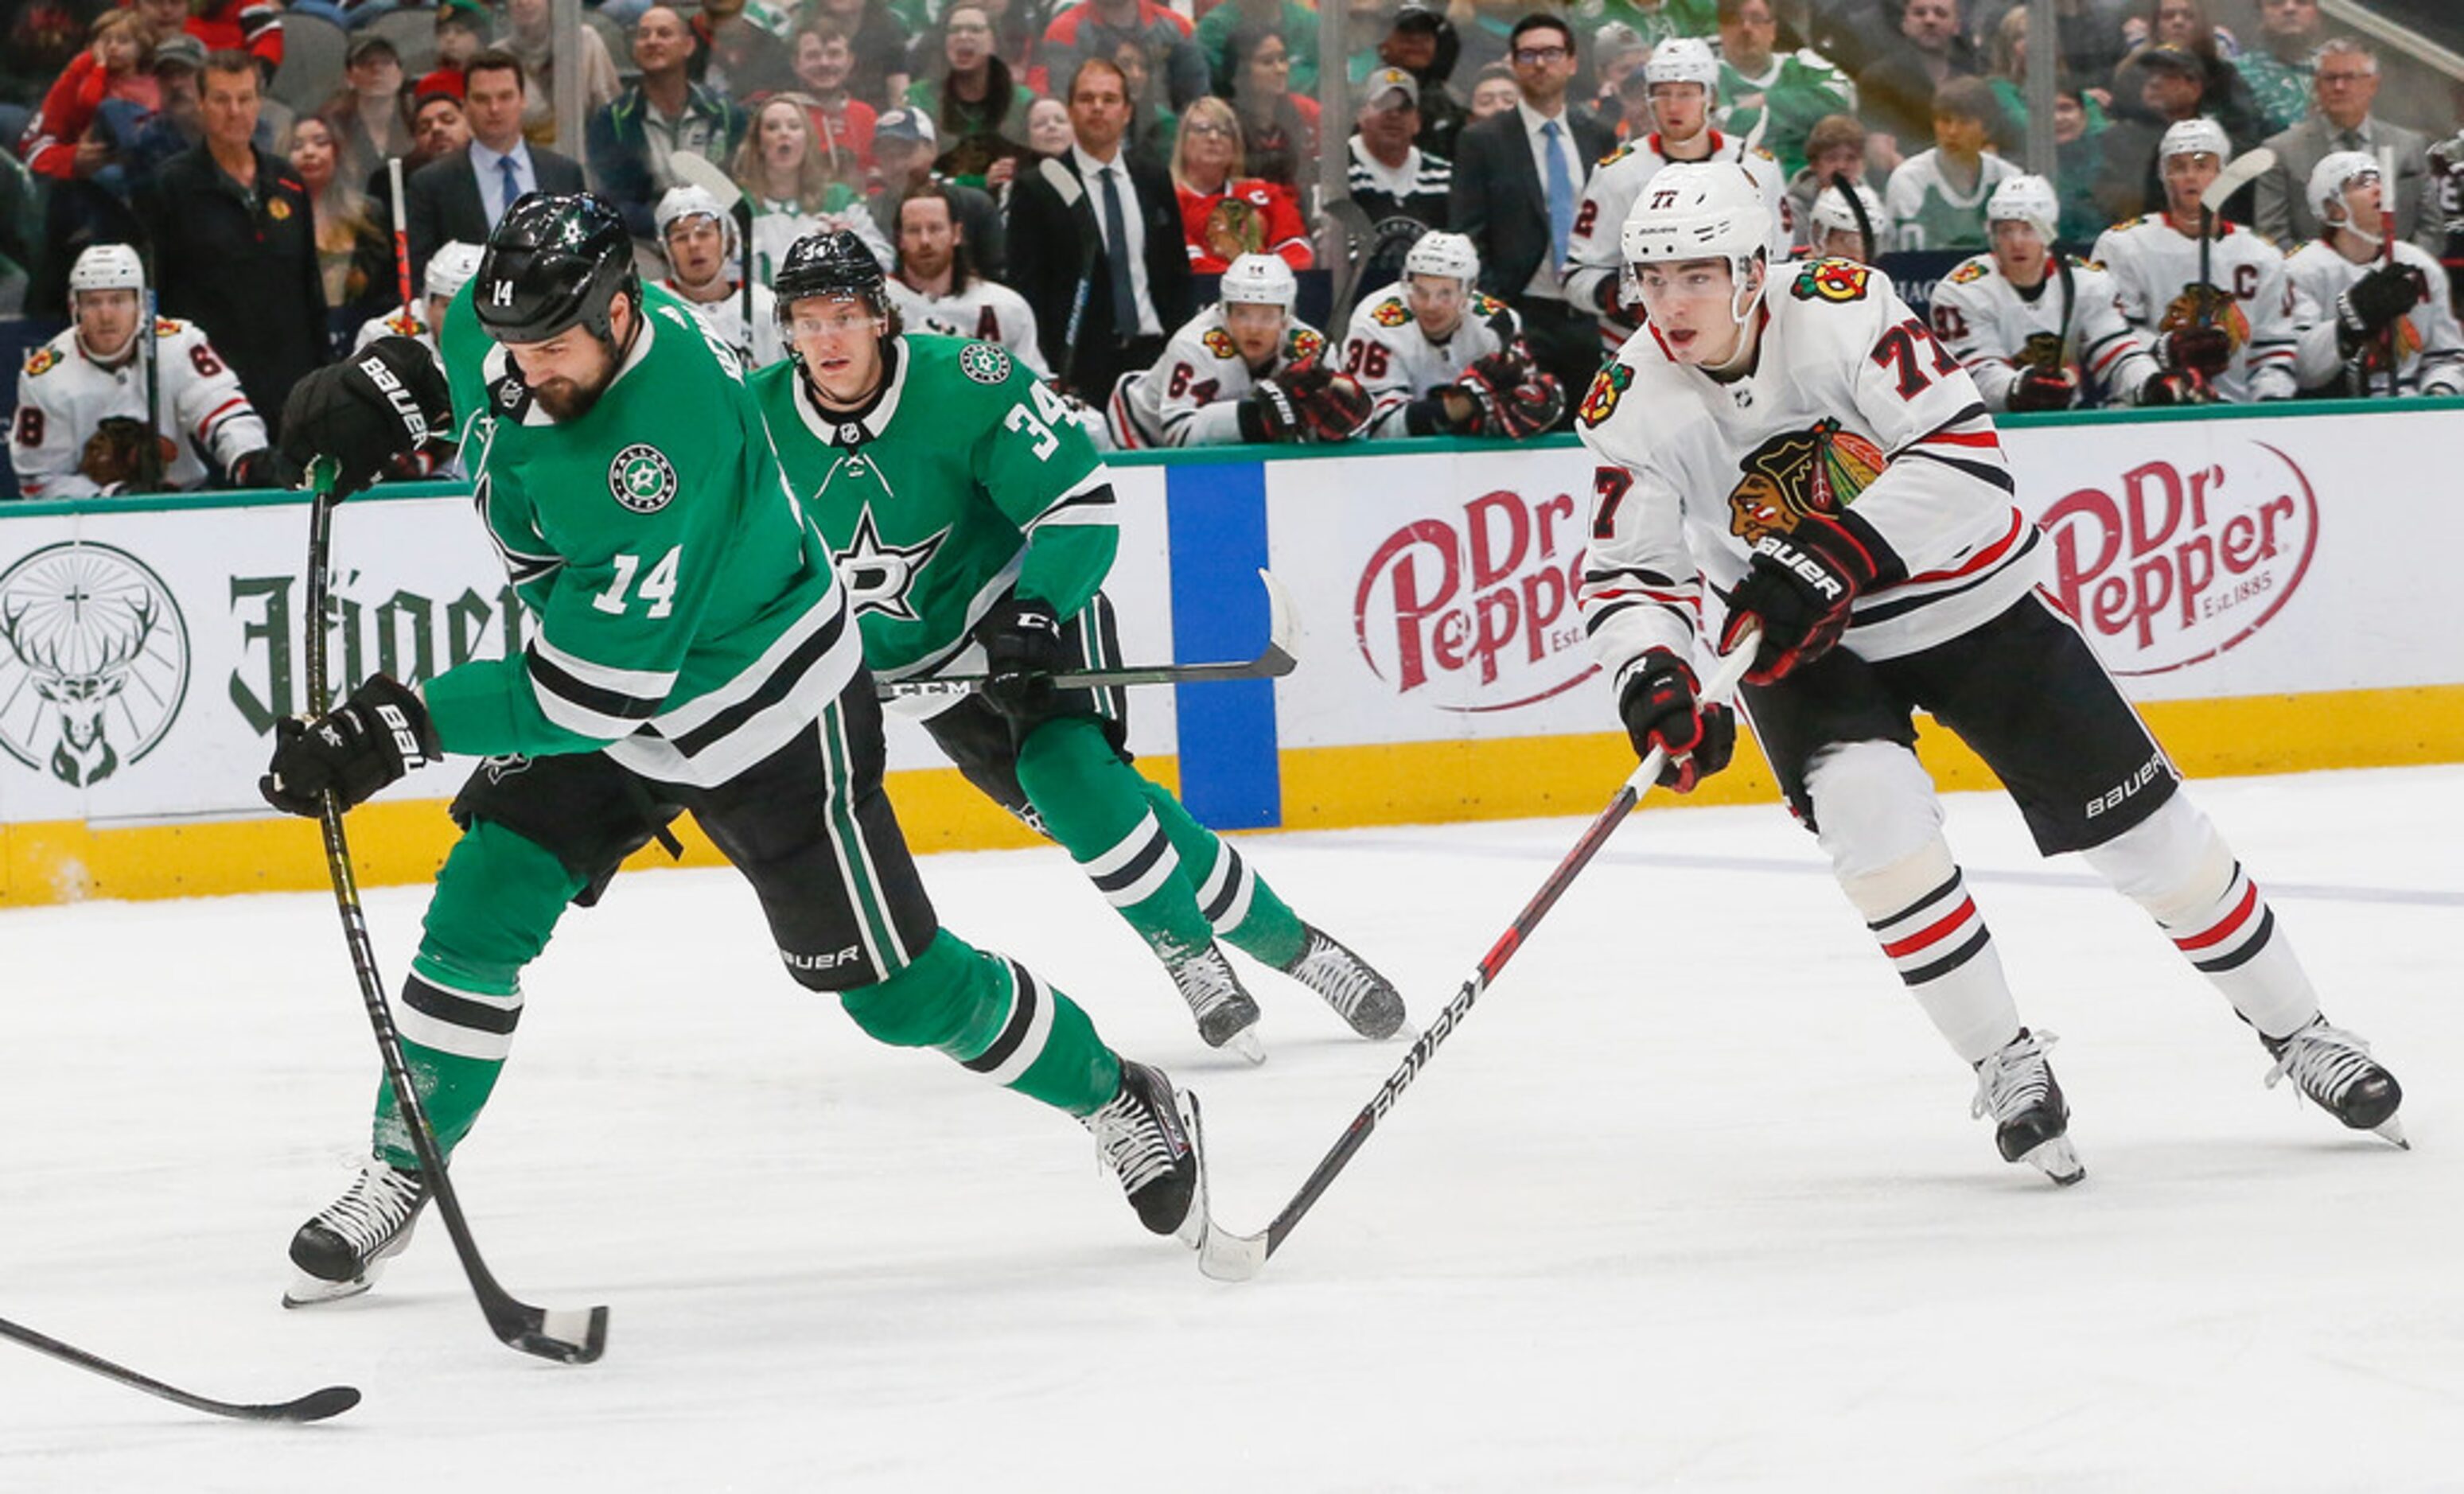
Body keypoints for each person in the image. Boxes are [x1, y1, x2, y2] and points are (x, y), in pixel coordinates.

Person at [264, 193, 1209, 1305]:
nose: (530, 367)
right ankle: (398, 1168)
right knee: (483, 896)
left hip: (767, 714)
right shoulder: (518, 321)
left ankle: (1115, 1093)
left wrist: (400, 723)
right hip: (608, 685)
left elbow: (590, 693)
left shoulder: (666, 440)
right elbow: (464, 358)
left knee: (899, 997)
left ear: (622, 312)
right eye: (513, 343)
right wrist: (397, 384)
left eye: (555, 347)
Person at [1575, 161, 2406, 1185]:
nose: (1669, 304)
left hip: (1966, 603)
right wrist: (1653, 678)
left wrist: (1827, 553)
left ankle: (2302, 1031)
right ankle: (2004, 1062)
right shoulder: (1629, 401)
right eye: (1649, 280)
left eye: (1695, 275)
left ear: (1754, 267)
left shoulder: (1845, 310)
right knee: (1876, 833)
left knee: (2156, 845)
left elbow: (1967, 463)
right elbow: (1628, 575)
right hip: (1801, 647)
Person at [756, 231, 1403, 1056]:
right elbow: (727, 551)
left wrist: (1034, 610)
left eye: (842, 315)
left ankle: (1188, 955)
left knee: (1061, 772)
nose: (825, 340)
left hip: (1024, 611)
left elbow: (1080, 505)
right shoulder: (759, 415)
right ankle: (1304, 952)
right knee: (1114, 813)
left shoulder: (967, 380)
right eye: (805, 322)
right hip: (921, 668)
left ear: (881, 316)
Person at [139, 49, 323, 441]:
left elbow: (311, 290)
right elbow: (157, 300)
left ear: (259, 103)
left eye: (244, 98)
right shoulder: (170, 186)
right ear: (202, 104)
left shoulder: (287, 181)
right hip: (210, 390)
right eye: (222, 100)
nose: (234, 111)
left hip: (291, 386)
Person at [1564, 37, 1788, 357]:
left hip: (1740, 350)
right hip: (1641, 350)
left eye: (1685, 93)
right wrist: (1619, 297)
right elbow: (1577, 274)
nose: (1672, 106)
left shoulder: (1757, 167)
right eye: (1662, 93)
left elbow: (1780, 265)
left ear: (1710, 97)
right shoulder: (1618, 173)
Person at [1447, 13, 1617, 427]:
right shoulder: (1483, 140)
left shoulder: (1598, 135)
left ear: (1572, 63)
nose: (1540, 63)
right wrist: (1496, 313)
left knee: (1595, 437)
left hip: (1589, 317)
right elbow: (1467, 234)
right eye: (1529, 54)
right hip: (1521, 313)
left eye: (1552, 53)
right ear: (1514, 62)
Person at [11, 242, 272, 498]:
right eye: (93, 302)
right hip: (91, 521)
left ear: (141, 303)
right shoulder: (45, 377)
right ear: (74, 307)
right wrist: (114, 497)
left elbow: (223, 412)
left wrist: (247, 457)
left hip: (185, 502)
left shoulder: (179, 344)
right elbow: (40, 480)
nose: (106, 315)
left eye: (118, 300)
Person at [1006, 58, 1195, 402]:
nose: (1097, 108)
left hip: (1156, 358)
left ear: (1126, 111)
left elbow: (1177, 272)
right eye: (1086, 98)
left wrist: (1180, 346)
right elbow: (1029, 289)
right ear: (1071, 110)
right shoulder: (1039, 187)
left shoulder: (1152, 177)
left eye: (1109, 100)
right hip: (1080, 367)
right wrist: (1053, 368)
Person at [1929, 173, 2178, 410]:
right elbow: (1974, 376)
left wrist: (2149, 382)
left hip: (2065, 427)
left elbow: (2118, 353)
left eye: (2028, 230)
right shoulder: (1961, 291)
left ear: (2048, 233)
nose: (2017, 242)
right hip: (1993, 433)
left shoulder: (2087, 282)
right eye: (2006, 231)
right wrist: (2016, 390)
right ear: (1992, 235)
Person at [2094, 118, 2298, 402]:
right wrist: (2167, 349)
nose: (2190, 176)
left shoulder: (2262, 254)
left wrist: (2268, 402)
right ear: (2163, 175)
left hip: (2237, 414)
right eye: (2178, 166)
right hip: (2149, 410)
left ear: (2223, 173)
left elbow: (2273, 351)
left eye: (2202, 165)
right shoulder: (2123, 246)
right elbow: (2108, 336)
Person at [1105, 251, 1370, 449]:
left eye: (1267, 316)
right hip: (1139, 433)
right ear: (1224, 311)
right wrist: (1260, 417)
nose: (1254, 328)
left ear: (1286, 317)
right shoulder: (1194, 345)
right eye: (1242, 314)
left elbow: (1344, 426)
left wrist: (1342, 418)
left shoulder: (1311, 348)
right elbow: (1179, 434)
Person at [1340, 230, 1564, 440]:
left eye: (1445, 294)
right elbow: (1373, 429)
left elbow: (1517, 415)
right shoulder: (1374, 324)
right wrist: (1467, 402)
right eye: (1420, 292)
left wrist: (1527, 406)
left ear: (1468, 291)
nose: (1430, 305)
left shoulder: (1498, 324)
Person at [2287, 152, 2463, 397]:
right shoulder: (2302, 269)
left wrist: (2437, 395)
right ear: (2333, 208)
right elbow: (2302, 368)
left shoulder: (2420, 265)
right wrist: (2348, 326)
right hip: (2337, 416)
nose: (2378, 189)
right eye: (2361, 183)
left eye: (2380, 180)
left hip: (2413, 415)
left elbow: (2447, 357)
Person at [406, 51, 588, 285]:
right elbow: (422, 273)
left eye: (505, 97)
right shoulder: (431, 183)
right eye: (482, 99)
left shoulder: (564, 173)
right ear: (465, 105)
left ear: (523, 99)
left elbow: (581, 256)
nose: (494, 108)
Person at [2254, 39, 2438, 255]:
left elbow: (2431, 229)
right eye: (2330, 78)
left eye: (2349, 77)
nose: (2339, 87)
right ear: (2316, 85)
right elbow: (2271, 234)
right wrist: (2322, 271)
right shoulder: (2281, 151)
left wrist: (2400, 270)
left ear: (2373, 85)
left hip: (2396, 277)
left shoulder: (2409, 146)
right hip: (2312, 281)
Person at [586, 6, 750, 242]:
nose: (652, 42)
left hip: (718, 237)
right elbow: (616, 202)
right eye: (643, 35)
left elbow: (742, 189)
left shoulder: (726, 115)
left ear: (688, 46)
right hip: (644, 243)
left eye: (664, 34)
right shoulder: (612, 121)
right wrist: (674, 224)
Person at [885, 182, 1046, 374]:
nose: (925, 241)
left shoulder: (1007, 307)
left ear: (957, 233)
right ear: (900, 239)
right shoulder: (875, 304)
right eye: (913, 230)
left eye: (935, 228)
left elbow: (1032, 383)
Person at [733, 93, 893, 285]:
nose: (784, 133)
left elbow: (884, 260)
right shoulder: (738, 206)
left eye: (794, 126)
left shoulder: (839, 199)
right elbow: (726, 273)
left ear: (807, 140)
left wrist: (851, 248)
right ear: (758, 142)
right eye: (772, 127)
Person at [1715, 0, 1854, 180]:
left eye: (1756, 19)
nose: (1746, 28)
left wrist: (1768, 100)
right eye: (1735, 20)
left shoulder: (1802, 65)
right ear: (1721, 30)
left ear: (1773, 29)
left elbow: (1842, 98)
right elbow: (1728, 127)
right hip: (1742, 186)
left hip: (1813, 184)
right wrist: (1806, 120)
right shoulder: (1709, 76)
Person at [1174, 95, 1312, 273]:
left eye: (1224, 131)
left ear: (1235, 145)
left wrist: (1263, 279)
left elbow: (1297, 248)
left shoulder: (1264, 194)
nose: (1214, 137)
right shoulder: (1170, 201)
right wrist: (1249, 279)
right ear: (1183, 142)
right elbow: (1186, 263)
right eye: (1202, 129)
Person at [1882, 76, 2018, 252]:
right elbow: (1914, 260)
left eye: (1964, 122)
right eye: (1945, 121)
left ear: (1987, 129)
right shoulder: (1909, 179)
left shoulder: (2009, 179)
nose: (1952, 132)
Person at [655, 184, 785, 368]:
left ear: (727, 239)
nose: (693, 245)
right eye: (681, 237)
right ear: (666, 249)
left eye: (704, 233)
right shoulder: (653, 309)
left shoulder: (765, 306)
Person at [291, 115, 393, 348]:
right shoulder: (274, 216)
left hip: (363, 336)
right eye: (297, 146)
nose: (309, 152)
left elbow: (385, 287)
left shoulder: (367, 214)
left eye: (320, 142)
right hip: (299, 339)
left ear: (337, 151)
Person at [867, 107, 1006, 276]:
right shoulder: (870, 216)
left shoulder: (974, 206)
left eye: (904, 152)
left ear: (932, 150)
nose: (897, 165)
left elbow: (997, 275)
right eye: (886, 155)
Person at [905, 2, 1038, 161]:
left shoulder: (1021, 100)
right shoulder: (918, 97)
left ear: (994, 42)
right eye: (954, 30)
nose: (963, 36)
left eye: (975, 30)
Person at [1856, 0, 1983, 164]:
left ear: (1956, 26)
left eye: (1941, 14)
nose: (1930, 20)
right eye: (1919, 13)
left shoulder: (1971, 81)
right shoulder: (1879, 79)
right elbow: (1879, 150)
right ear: (1905, 23)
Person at [1033, 0, 1208, 112]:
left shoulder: (1176, 28)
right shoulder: (1065, 32)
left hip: (1165, 145)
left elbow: (1198, 106)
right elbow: (1066, 105)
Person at [500, 0, 621, 151]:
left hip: (585, 159)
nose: (523, 2)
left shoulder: (584, 41)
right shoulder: (499, 56)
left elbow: (610, 111)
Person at [1347, 65, 1452, 231]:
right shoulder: (1334, 173)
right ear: (1361, 115)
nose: (1394, 114)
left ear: (1417, 122)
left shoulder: (1444, 177)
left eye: (1404, 107)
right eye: (1385, 104)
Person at [351, 239, 485, 364]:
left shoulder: (500, 340)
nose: (458, 319)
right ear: (428, 304)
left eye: (470, 309)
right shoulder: (384, 339)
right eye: (448, 306)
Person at [1220, 23, 1317, 189]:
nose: (1280, 69)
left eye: (1283, 59)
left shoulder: (1305, 114)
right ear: (1240, 71)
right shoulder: (1222, 120)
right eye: (1267, 62)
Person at [789, 17, 880, 175]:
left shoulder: (866, 115)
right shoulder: (784, 116)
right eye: (813, 56)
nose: (824, 63)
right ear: (796, 64)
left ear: (850, 61)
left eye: (834, 54)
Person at [2233, 0, 2322, 136]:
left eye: (2302, 2)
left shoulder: (2339, 75)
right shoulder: (2235, 73)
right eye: (2277, 2)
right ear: (2260, 14)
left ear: (2316, 12)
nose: (2290, 8)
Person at [1801, 178, 1888, 260]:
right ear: (1819, 237)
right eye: (1846, 240)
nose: (1857, 250)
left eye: (1865, 243)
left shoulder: (1878, 274)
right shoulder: (1794, 271)